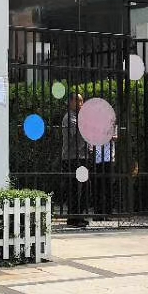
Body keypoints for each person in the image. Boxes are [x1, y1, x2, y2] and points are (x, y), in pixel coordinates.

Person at [60, 91, 90, 227]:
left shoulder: (79, 117)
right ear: (71, 102)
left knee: (83, 187)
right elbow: (77, 135)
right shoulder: (69, 117)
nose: (81, 103)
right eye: (78, 101)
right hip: (72, 158)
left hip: (82, 157)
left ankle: (79, 215)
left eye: (82, 101)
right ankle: (73, 218)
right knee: (75, 188)